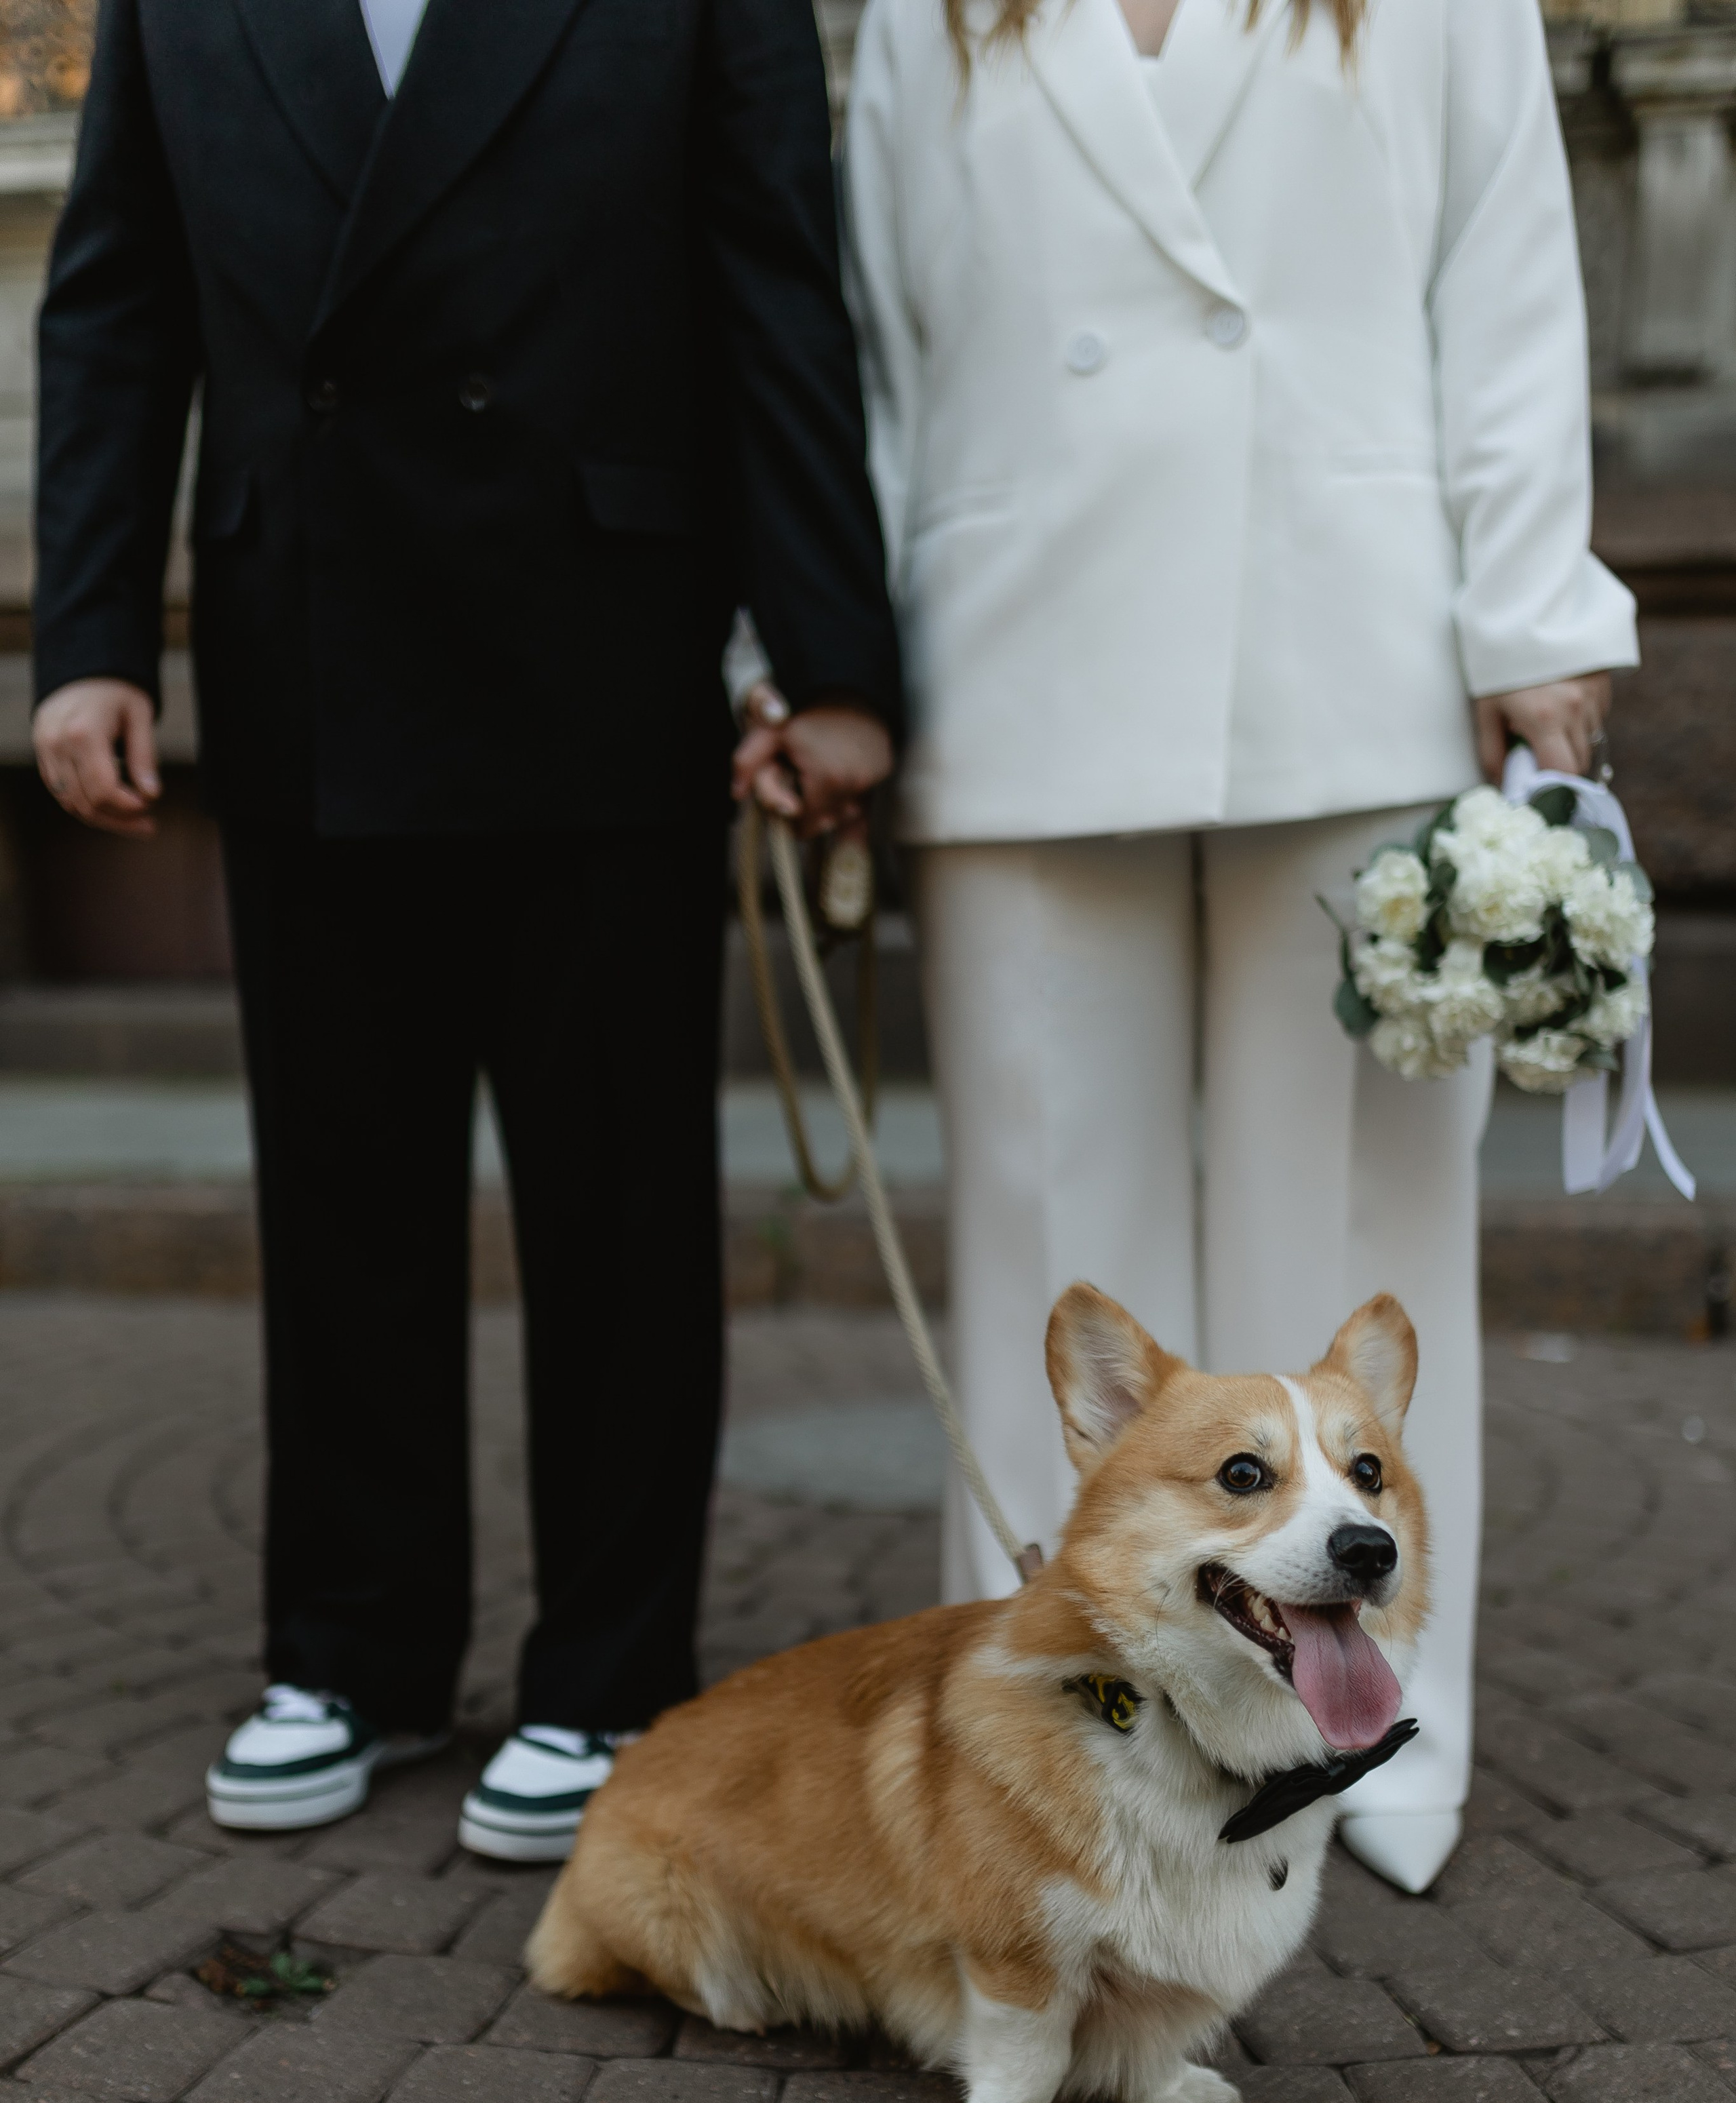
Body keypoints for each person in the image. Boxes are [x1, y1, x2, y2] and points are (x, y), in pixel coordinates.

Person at [33, 0, 901, 1860]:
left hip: (599, 641)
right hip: (303, 645)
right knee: (341, 1186)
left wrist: (831, 657)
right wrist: (91, 637)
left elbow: (776, 291)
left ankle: (611, 1669)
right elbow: (118, 301)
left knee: (618, 1202)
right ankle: (354, 1650)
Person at [842, 0, 1636, 1891]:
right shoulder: (924, 14)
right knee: (1056, 1253)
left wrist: (1534, 609)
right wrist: (828, 661)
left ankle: (1368, 1718)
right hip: (1016, 649)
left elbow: (1506, 276)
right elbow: (880, 345)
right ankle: (1062, 1729)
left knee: (1357, 1240)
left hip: (1355, 643)